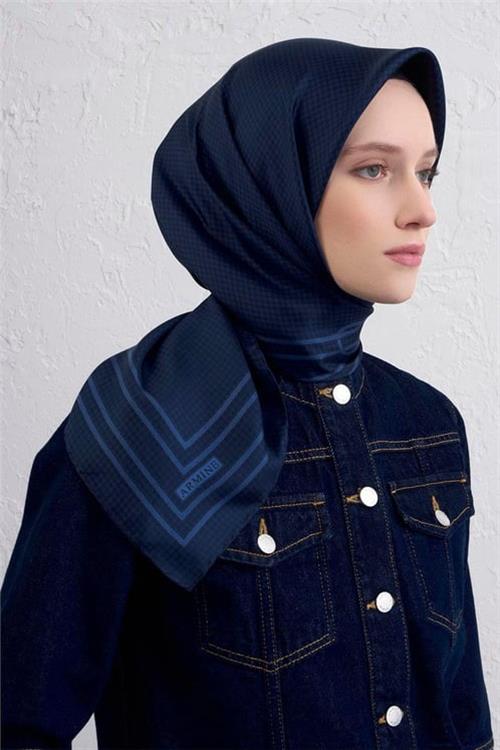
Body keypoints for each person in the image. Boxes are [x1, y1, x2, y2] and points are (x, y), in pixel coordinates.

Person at [0, 37, 494, 750]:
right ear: (270, 181)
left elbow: (461, 718)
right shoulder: (135, 427)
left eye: (426, 173)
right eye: (374, 169)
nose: (422, 210)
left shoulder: (428, 425)